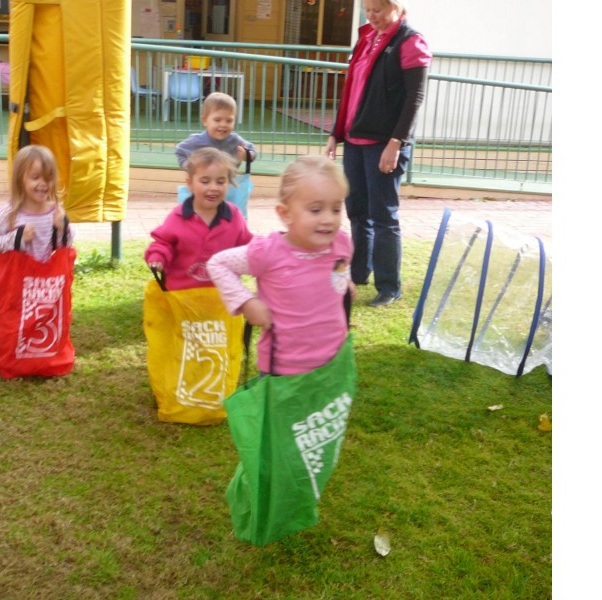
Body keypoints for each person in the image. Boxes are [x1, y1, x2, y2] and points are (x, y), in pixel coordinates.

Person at [325, 0, 432, 307]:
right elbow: (352, 90)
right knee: (357, 210)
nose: (372, 17)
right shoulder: (366, 38)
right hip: (355, 141)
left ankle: (389, 287)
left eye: (379, 10)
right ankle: (359, 273)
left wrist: (396, 142)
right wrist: (336, 132)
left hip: (384, 144)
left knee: (383, 216)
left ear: (396, 7)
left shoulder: (411, 41)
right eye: (368, 10)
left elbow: (414, 98)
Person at [207, 156, 356, 376]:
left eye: (335, 209)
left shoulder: (341, 243)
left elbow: (339, 269)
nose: (328, 219)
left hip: (332, 364)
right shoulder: (268, 252)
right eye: (315, 210)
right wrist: (246, 302)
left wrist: (345, 283)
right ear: (285, 214)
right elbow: (218, 264)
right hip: (283, 370)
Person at [146, 147, 253, 291]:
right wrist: (157, 257)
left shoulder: (234, 216)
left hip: (223, 296)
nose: (213, 187)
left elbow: (248, 246)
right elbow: (163, 243)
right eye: (205, 181)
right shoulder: (178, 217)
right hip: (182, 294)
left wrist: (265, 253)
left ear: (229, 183)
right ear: (190, 184)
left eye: (220, 182)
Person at [0, 145, 75, 259]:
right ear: (20, 179)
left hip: (46, 275)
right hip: (18, 274)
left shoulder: (55, 212)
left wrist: (63, 228)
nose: (43, 183)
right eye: (35, 177)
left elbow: (64, 246)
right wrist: (18, 237)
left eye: (48, 178)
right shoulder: (10, 212)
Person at [175, 92, 257, 169]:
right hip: (203, 182)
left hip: (227, 182)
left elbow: (252, 150)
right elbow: (180, 151)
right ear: (204, 120)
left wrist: (246, 155)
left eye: (229, 121)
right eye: (217, 120)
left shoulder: (235, 140)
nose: (223, 125)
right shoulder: (196, 141)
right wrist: (188, 166)